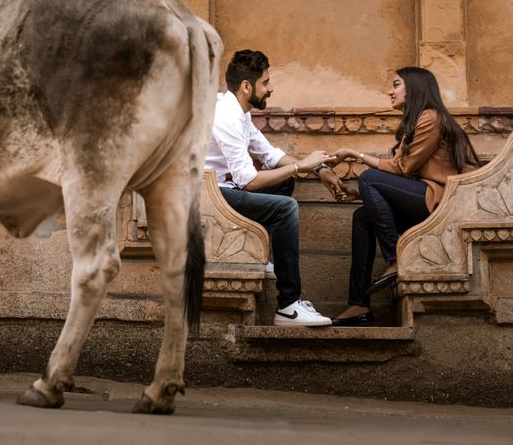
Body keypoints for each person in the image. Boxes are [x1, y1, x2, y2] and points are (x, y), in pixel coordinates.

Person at [322, 66, 480, 326]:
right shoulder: (416, 123)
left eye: (396, 85)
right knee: (363, 217)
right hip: (426, 199)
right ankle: (359, 304)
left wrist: (353, 153)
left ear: (414, 88)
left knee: (368, 178)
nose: (389, 91)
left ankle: (396, 259)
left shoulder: (431, 118)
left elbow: (401, 169)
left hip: (443, 204)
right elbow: (401, 180)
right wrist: (362, 195)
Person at [205, 49, 343, 327]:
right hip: (208, 197)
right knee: (285, 208)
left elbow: (271, 155)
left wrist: (318, 169)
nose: (271, 88)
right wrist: (301, 166)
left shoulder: (240, 113)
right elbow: (248, 180)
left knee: (284, 179)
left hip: (225, 190)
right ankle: (288, 306)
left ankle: (258, 254)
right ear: (247, 86)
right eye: (266, 82)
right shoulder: (225, 116)